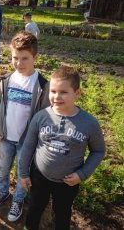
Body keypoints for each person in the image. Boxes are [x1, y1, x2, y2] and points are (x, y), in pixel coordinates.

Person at [19, 66, 106, 230]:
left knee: (63, 212)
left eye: (63, 92)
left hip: (68, 182)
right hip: (39, 175)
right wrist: (23, 173)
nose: (56, 97)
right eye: (53, 91)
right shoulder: (41, 117)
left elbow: (98, 151)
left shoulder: (89, 123)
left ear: (77, 93)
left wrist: (82, 174)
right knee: (35, 207)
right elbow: (28, 146)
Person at [0, 31, 50, 222]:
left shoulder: (42, 85)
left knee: (23, 174)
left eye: (25, 59)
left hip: (27, 142)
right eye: (15, 58)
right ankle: (2, 192)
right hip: (6, 137)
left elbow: (45, 115)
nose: (19, 63)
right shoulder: (7, 80)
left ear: (35, 57)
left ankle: (18, 199)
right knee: (2, 168)